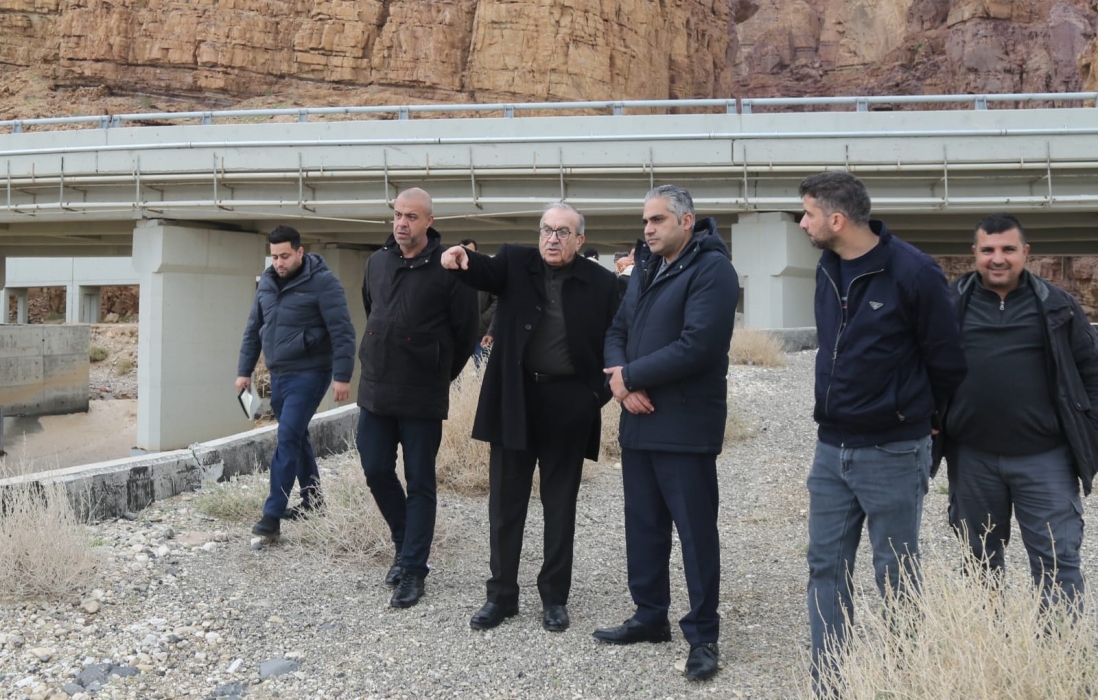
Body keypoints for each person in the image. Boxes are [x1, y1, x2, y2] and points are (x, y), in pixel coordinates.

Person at [798, 171, 966, 690]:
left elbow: (947, 362)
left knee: (895, 570)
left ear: (837, 220)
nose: (802, 223)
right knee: (825, 566)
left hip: (893, 449)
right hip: (831, 448)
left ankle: (899, 679)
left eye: (808, 213)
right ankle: (831, 681)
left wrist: (916, 419)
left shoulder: (915, 272)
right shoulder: (827, 267)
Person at [440, 202, 619, 633]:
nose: (552, 239)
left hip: (568, 404)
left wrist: (593, 397)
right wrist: (462, 260)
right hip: (515, 401)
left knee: (560, 507)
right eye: (546, 230)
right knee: (505, 505)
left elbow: (616, 338)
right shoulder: (515, 262)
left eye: (562, 232)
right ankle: (501, 596)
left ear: (579, 239)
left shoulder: (601, 282)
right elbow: (485, 271)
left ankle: (554, 599)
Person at [594, 185, 738, 681]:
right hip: (639, 420)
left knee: (695, 534)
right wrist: (621, 382)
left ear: (686, 221)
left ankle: (703, 636)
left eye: (657, 220)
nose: (648, 228)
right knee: (643, 527)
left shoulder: (713, 270)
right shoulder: (646, 267)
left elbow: (699, 345)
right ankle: (650, 615)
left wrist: (631, 378)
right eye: (645, 221)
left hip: (685, 424)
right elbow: (617, 330)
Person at [939, 213, 1098, 611]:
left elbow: (1091, 373)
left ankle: (1058, 645)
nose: (998, 258)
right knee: (979, 563)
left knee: (1057, 562)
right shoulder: (948, 304)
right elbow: (919, 367)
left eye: (1008, 249)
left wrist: (1089, 433)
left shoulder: (1058, 306)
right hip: (972, 459)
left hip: (1046, 458)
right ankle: (988, 645)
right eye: (988, 250)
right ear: (974, 253)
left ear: (1025, 252)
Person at [357, 187, 478, 609]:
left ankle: (413, 569)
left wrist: (438, 374)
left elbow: (466, 333)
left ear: (429, 220)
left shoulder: (449, 269)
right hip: (375, 389)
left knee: (420, 481)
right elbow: (372, 309)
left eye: (411, 216)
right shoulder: (377, 262)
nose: (402, 223)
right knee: (375, 468)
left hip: (422, 393)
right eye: (397, 215)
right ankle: (403, 540)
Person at [236, 225, 356, 538]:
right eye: (274, 256)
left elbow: (342, 331)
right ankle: (313, 500)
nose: (279, 262)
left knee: (287, 435)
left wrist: (342, 376)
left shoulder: (324, 283)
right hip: (279, 374)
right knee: (297, 436)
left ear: (300, 252)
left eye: (285, 256)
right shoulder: (266, 284)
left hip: (311, 373)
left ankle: (272, 515)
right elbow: (253, 330)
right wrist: (244, 372)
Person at [459, 239, 498, 368]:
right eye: (462, 250)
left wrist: (482, 319)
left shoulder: (485, 273)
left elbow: (497, 300)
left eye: (469, 251)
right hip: (460, 334)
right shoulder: (452, 274)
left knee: (480, 369)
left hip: (480, 335)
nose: (465, 254)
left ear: (476, 252)